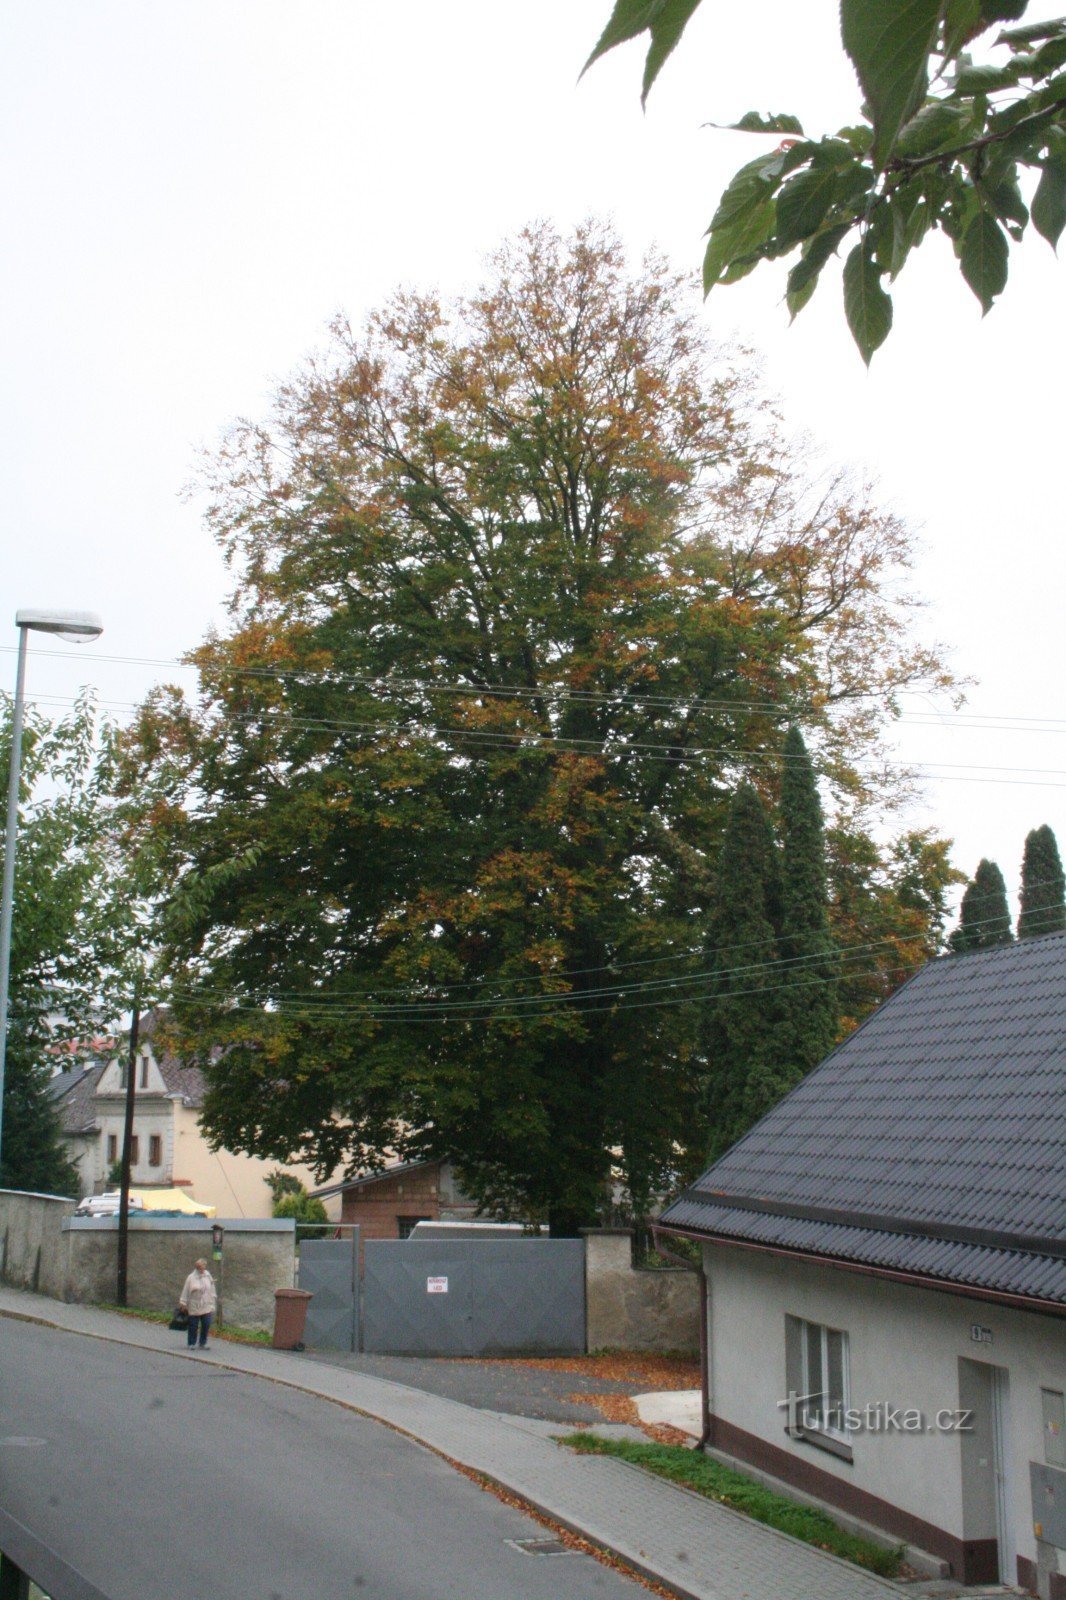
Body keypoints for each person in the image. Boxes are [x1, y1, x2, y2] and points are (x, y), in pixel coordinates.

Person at [178, 1257, 217, 1350]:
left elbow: (212, 1288)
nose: (202, 1268)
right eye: (200, 1267)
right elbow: (186, 1290)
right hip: (194, 1305)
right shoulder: (191, 1277)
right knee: (193, 1325)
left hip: (206, 1304)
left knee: (206, 1324)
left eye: (204, 1266)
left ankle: (202, 1343)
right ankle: (191, 1343)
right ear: (197, 1267)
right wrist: (183, 1302)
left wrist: (213, 1299)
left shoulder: (207, 1275)